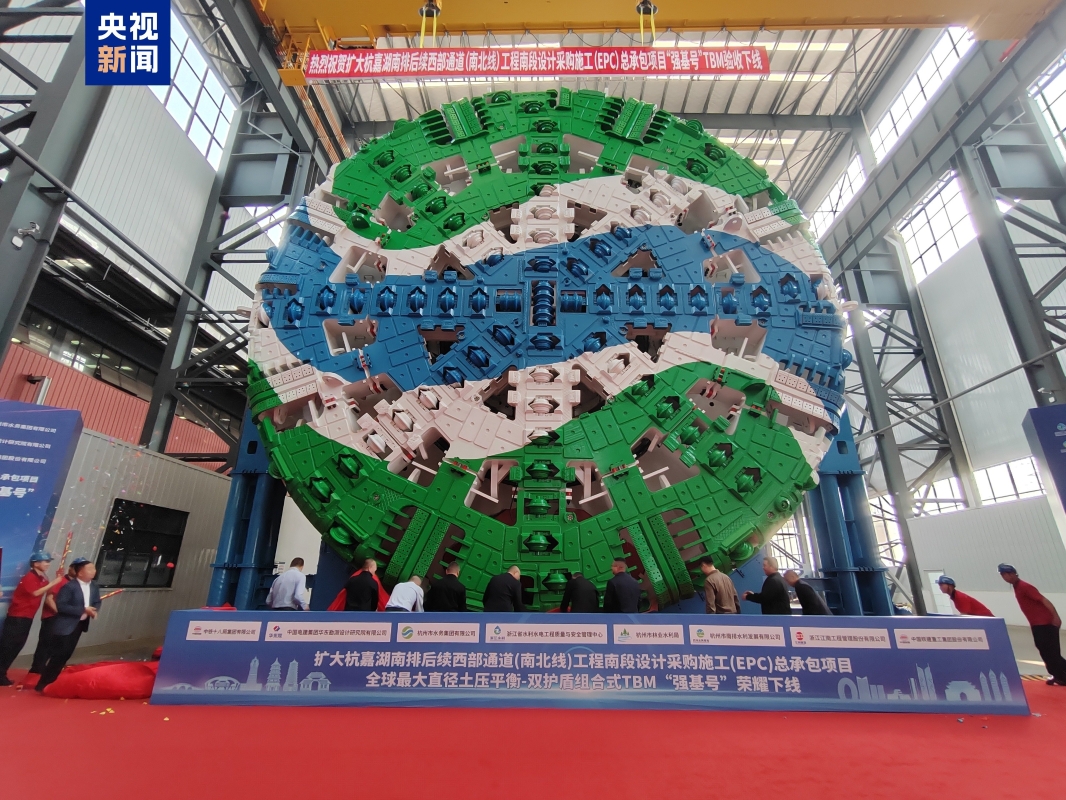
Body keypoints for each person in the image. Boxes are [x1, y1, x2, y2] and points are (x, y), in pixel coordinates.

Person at [35, 558, 101, 693]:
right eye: (90, 569)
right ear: (80, 572)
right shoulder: (69, 586)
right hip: (65, 625)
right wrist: (83, 610)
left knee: (67, 654)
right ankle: (44, 683)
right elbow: (61, 606)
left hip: (80, 624)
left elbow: (97, 601)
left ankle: (53, 682)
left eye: (94, 568)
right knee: (59, 655)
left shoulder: (94, 586)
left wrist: (94, 610)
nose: (93, 571)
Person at [0, 551, 64, 686]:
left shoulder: (42, 578)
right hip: (17, 617)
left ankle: (2, 672)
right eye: (45, 561)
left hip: (27, 617)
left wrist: (58, 580)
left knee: (17, 646)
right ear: (36, 563)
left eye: (48, 561)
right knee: (9, 646)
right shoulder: (29, 577)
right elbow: (35, 593)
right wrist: (54, 582)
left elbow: (47, 590)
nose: (47, 564)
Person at [999, 563, 1066, 686]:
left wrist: (1056, 617)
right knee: (1044, 651)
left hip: (1046, 623)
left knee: (1052, 653)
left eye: (1007, 574)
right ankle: (1058, 675)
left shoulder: (1024, 586)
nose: (1005, 577)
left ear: (1013, 574)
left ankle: (1062, 675)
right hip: (1037, 624)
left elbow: (1044, 600)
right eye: (1003, 575)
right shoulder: (1017, 587)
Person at [29, 563, 76, 675]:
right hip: (52, 617)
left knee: (56, 645)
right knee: (46, 644)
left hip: (63, 619)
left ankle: (45, 668)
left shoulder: (74, 584)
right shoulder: (60, 581)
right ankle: (37, 669)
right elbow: (49, 599)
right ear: (70, 568)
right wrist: (60, 612)